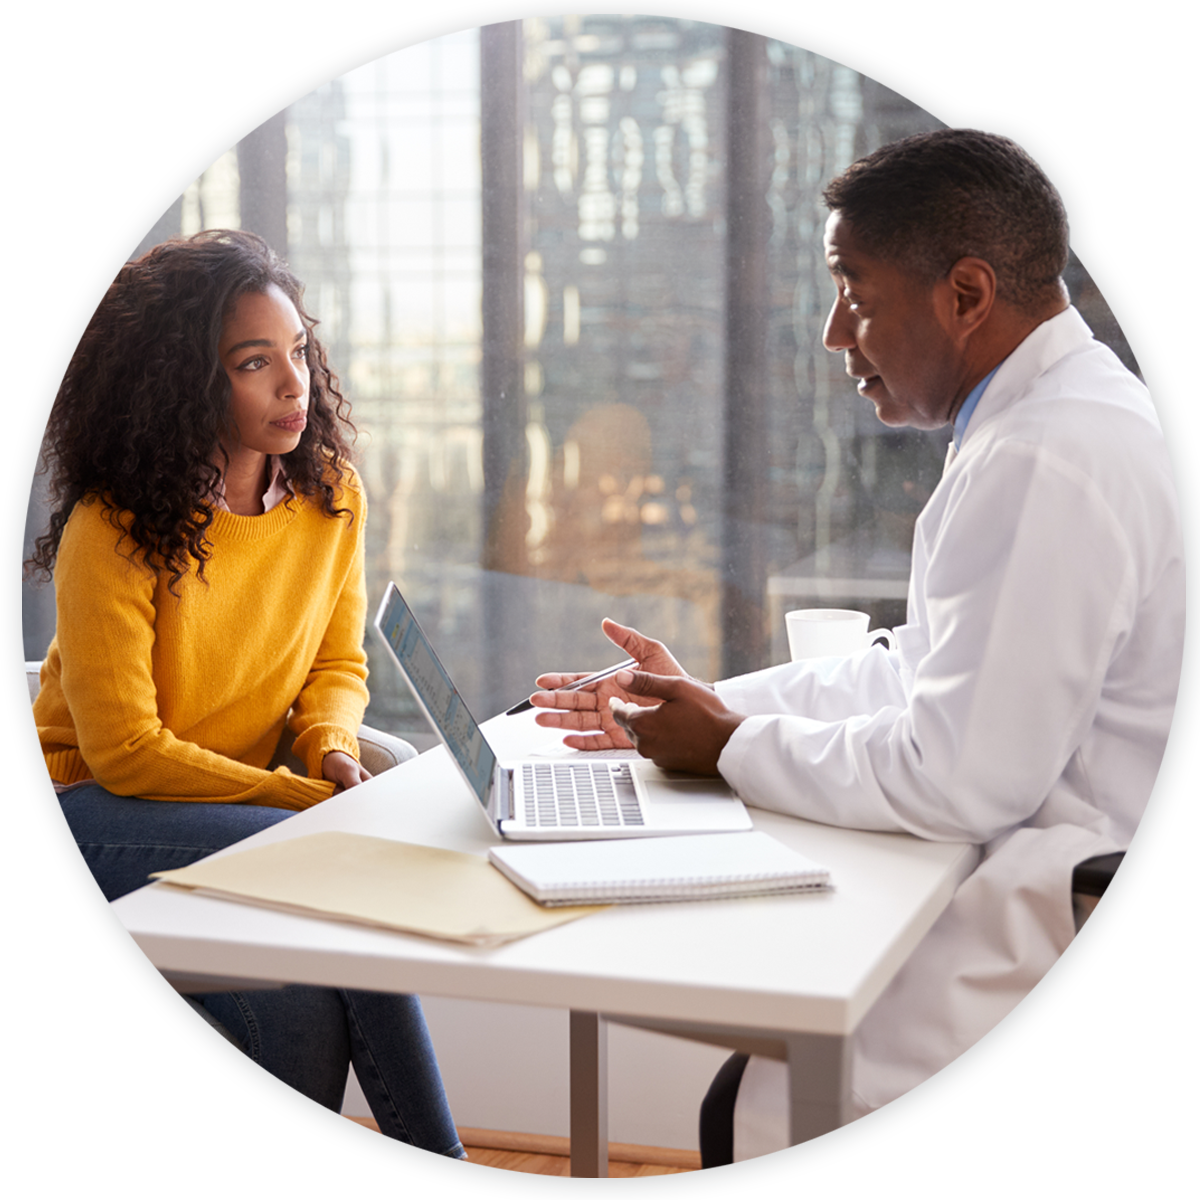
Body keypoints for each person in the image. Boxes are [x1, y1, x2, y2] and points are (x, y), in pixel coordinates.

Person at [530, 129, 1185, 1177]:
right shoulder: (1061, 414)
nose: (837, 333)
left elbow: (959, 776)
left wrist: (730, 748)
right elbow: (924, 661)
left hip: (1087, 937)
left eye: (856, 293)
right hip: (1062, 877)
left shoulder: (1046, 456)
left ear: (966, 295)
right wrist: (703, 703)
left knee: (774, 1102)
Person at [22, 230, 466, 1175]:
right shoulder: (114, 526)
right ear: (186, 384)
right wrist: (313, 806)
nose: (292, 384)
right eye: (254, 364)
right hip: (61, 833)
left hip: (221, 826)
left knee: (301, 1016)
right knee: (339, 869)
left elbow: (336, 664)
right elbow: (126, 755)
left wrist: (332, 749)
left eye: (298, 352)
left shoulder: (329, 496)